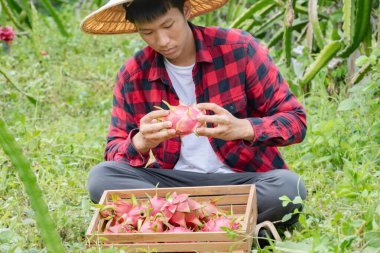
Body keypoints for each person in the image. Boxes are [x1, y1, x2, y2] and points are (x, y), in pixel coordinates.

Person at [81, 0, 307, 236]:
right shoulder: (133, 75)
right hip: (173, 185)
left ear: (186, 11)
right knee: (101, 178)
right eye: (147, 32)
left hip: (240, 183)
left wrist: (243, 128)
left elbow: (296, 121)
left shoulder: (239, 49)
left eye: (168, 25)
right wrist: (141, 142)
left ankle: (174, 225)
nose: (162, 41)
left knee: (290, 187)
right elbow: (113, 152)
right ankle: (233, 227)